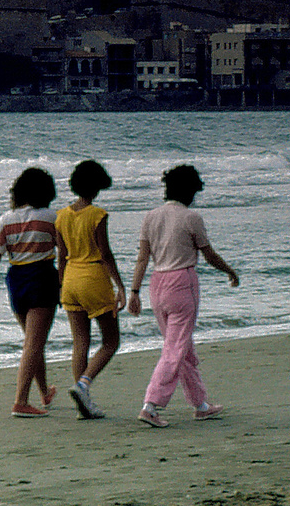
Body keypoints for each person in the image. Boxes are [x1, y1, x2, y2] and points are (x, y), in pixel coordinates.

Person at [125, 163, 238, 427]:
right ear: (190, 190)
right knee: (175, 348)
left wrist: (134, 291)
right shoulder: (191, 218)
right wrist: (230, 271)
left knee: (181, 346)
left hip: (157, 284)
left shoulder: (151, 216)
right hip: (182, 282)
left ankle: (200, 404)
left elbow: (142, 258)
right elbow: (208, 255)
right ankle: (151, 405)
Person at [0, 166, 60, 418]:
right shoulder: (52, 217)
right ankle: (20, 401)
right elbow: (65, 251)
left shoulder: (6, 219)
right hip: (42, 277)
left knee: (32, 342)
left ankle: (44, 391)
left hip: (16, 280)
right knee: (33, 344)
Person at [55, 159, 125, 419]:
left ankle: (83, 404)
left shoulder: (61, 215)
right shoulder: (97, 215)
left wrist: (62, 285)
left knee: (80, 342)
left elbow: (61, 256)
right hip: (93, 277)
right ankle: (83, 385)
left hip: (70, 278)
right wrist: (120, 285)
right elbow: (105, 253)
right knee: (110, 341)